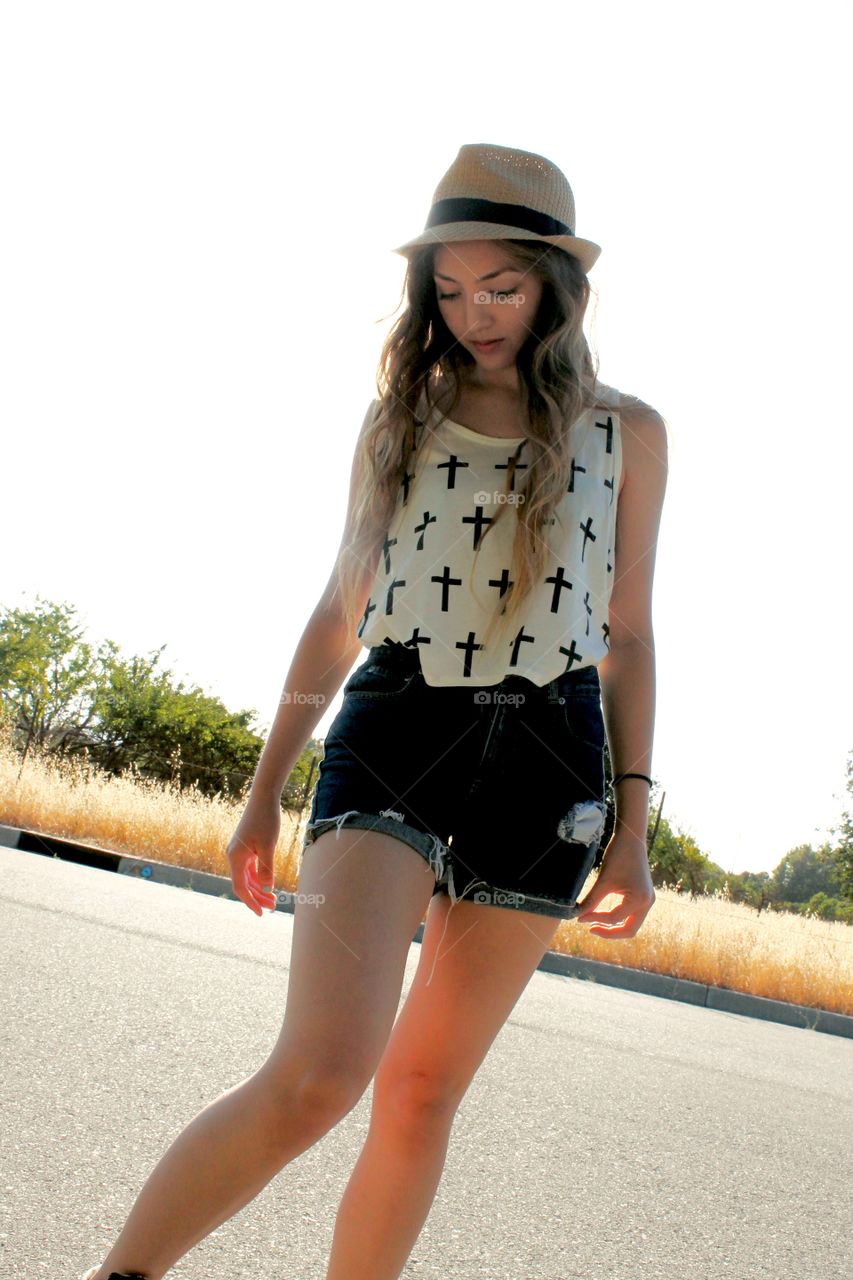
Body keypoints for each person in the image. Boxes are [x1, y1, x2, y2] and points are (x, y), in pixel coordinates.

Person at [80, 141, 668, 1280]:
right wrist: (264, 791)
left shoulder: (628, 433)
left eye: (499, 286)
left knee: (419, 1094)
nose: (473, 314)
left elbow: (629, 634)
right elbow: (338, 607)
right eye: (448, 291)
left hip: (553, 758)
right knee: (323, 1071)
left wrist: (633, 824)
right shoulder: (407, 413)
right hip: (398, 727)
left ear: (557, 282)